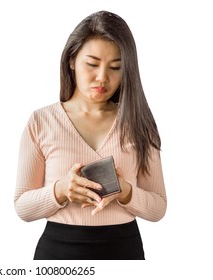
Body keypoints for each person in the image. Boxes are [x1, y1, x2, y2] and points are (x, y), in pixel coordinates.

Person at [14, 10, 167, 260]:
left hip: (124, 251)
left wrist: (125, 191)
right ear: (72, 60)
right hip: (58, 253)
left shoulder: (139, 122)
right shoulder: (41, 121)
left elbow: (158, 207)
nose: (102, 78)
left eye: (115, 67)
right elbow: (22, 206)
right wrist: (61, 190)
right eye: (92, 64)